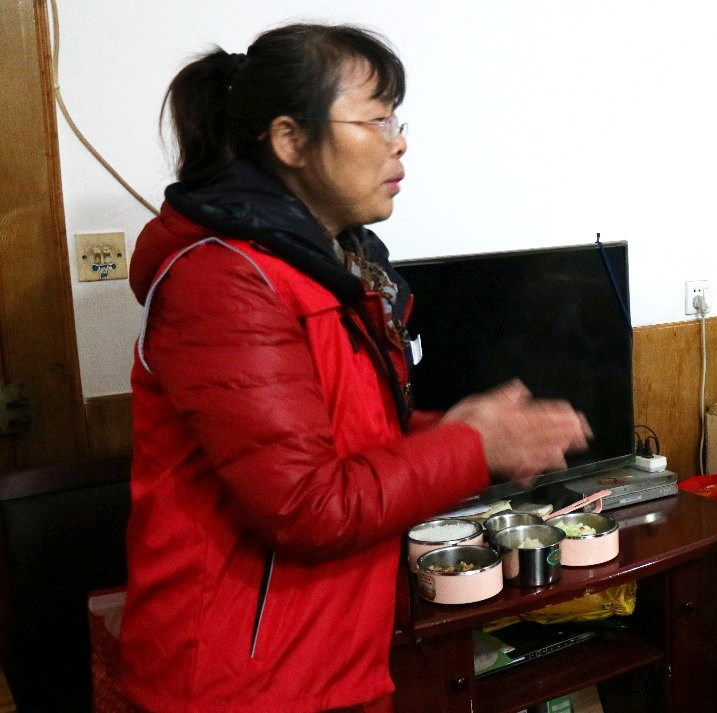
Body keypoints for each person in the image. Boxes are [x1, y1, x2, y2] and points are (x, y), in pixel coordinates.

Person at [119, 23, 590, 712]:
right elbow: (306, 505)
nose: (399, 142)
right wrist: (472, 445)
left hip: (325, 660)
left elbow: (338, 436)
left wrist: (453, 429)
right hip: (239, 685)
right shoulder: (223, 280)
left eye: (398, 120)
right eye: (376, 120)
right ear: (289, 140)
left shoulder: (330, 267)